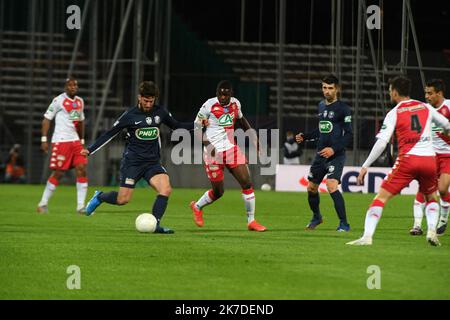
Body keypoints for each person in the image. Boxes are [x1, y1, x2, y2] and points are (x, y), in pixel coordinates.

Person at [81, 81, 200, 234]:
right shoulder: (130, 115)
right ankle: (100, 197)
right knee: (123, 200)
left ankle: (155, 225)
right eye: (146, 100)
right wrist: (90, 150)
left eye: (151, 101)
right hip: (133, 163)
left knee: (165, 189)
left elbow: (177, 126)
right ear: (139, 97)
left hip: (152, 163)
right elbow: (110, 133)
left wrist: (198, 125)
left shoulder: (160, 112)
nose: (149, 104)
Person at [347, 76, 450, 247]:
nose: (389, 93)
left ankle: (367, 236)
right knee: (432, 197)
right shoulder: (425, 107)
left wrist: (365, 165)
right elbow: (446, 125)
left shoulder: (394, 112)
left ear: (394, 92)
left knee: (381, 197)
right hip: (429, 161)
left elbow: (381, 142)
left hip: (408, 161)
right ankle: (432, 230)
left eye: (389, 91)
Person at [189, 80, 267, 232]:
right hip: (212, 152)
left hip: (231, 149)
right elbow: (197, 128)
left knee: (246, 183)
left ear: (231, 94)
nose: (223, 97)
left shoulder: (235, 104)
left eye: (226, 94)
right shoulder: (208, 105)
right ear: (217, 93)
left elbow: (242, 121)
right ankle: (197, 206)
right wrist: (208, 145)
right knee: (218, 192)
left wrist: (254, 139)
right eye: (220, 94)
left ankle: (251, 221)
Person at [295, 75, 352, 232]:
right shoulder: (321, 106)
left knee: (331, 186)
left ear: (337, 89)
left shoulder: (343, 109)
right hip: (320, 155)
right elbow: (321, 129)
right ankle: (317, 217)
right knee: (311, 188)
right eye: (324, 88)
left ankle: (344, 224)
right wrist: (305, 136)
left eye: (330, 88)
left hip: (336, 155)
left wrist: (334, 149)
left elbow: (348, 134)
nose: (326, 91)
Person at [37, 77, 88, 213]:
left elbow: (80, 122)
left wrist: (82, 141)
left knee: (82, 169)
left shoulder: (79, 102)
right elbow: (47, 119)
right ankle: (42, 204)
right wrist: (44, 139)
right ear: (65, 87)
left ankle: (81, 207)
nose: (73, 87)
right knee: (58, 173)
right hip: (61, 141)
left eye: (75, 85)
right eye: (70, 85)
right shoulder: (58, 100)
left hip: (75, 142)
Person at [410, 79, 450, 236]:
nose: (426, 96)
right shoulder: (425, 109)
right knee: (423, 188)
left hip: (447, 155)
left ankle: (443, 219)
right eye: (426, 92)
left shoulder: (448, 107)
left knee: (442, 189)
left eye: (430, 93)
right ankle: (417, 225)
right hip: (430, 155)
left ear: (439, 94)